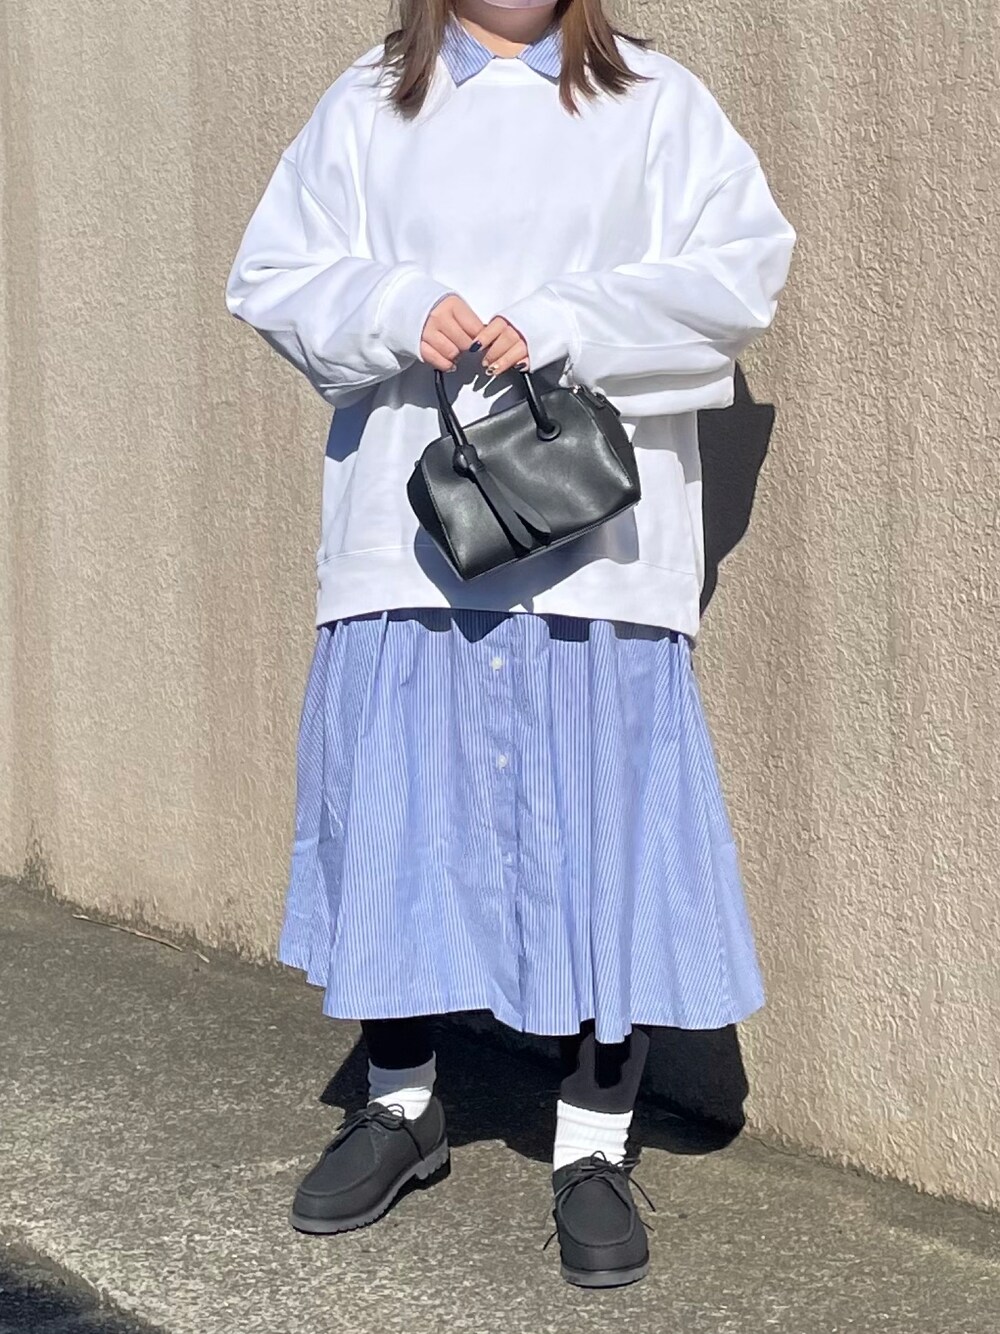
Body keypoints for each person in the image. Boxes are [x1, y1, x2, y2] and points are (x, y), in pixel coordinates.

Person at [226, 0, 795, 1290]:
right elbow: (273, 272)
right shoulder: (369, 102)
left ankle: (591, 1144)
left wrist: (568, 320)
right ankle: (399, 1104)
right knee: (400, 821)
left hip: (599, 548)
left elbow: (743, 270)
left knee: (601, 839)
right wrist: (397, 304)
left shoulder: (654, 100)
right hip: (407, 533)